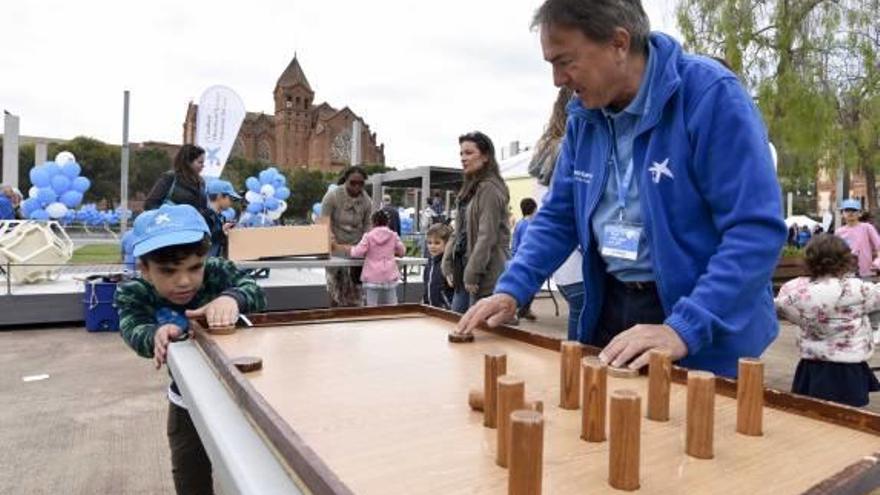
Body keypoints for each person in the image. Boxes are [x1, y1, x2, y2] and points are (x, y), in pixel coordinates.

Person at [455, 0, 786, 378]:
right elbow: (559, 216)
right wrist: (511, 289)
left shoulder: (711, 96)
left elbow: (754, 231)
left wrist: (685, 327)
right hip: (610, 306)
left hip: (702, 323)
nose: (558, 79)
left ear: (618, 43)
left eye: (565, 61)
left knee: (686, 433)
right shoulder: (584, 116)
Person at [115, 204, 266, 494]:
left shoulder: (219, 272)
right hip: (186, 401)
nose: (184, 281)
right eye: (168, 271)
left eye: (195, 267)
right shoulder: (134, 292)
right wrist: (155, 334)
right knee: (189, 471)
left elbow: (255, 291)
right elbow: (132, 327)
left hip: (242, 394)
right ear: (145, 268)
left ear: (205, 259)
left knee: (254, 471)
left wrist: (233, 298)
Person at [775, 234, 880, 407]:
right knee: (849, 418)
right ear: (846, 260)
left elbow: (780, 307)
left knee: (812, 413)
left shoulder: (795, 289)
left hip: (812, 366)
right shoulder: (859, 289)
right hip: (850, 367)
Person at [442, 131, 511, 314]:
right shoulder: (470, 188)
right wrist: (447, 262)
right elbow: (459, 231)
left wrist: (473, 272)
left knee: (477, 333)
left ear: (486, 156)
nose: (463, 158)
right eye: (461, 153)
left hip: (484, 274)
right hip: (463, 270)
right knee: (456, 325)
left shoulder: (489, 188)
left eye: (469, 153)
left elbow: (487, 235)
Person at [320, 166, 372, 307]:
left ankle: (352, 321)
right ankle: (333, 317)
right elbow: (324, 223)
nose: (357, 186)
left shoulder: (367, 201)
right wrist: (333, 243)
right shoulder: (332, 196)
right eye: (352, 182)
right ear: (345, 180)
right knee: (335, 289)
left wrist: (366, 244)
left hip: (356, 251)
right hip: (335, 248)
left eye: (360, 183)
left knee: (355, 293)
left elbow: (368, 225)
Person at [144, 145, 220, 240]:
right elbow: (150, 204)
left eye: (203, 163)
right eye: (200, 162)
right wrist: (173, 216)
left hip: (193, 234)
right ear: (188, 162)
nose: (203, 166)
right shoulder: (170, 177)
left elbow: (201, 209)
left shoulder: (201, 183)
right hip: (170, 233)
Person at [350, 210, 406, 306]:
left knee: (371, 307)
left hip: (372, 276)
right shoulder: (393, 235)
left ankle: (373, 320)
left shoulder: (368, 237)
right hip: (389, 275)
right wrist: (393, 251)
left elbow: (356, 253)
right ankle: (393, 320)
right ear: (387, 222)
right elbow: (402, 251)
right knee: (392, 306)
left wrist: (351, 249)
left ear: (373, 222)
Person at [836, 199, 880, 278]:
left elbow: (878, 247)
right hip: (846, 273)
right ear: (842, 213)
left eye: (854, 210)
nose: (850, 213)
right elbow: (835, 253)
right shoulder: (839, 232)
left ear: (860, 213)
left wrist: (878, 262)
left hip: (867, 272)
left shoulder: (867, 227)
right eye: (847, 210)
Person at [511, 198, 539, 321]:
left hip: (517, 258)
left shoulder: (519, 223)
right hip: (528, 260)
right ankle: (520, 310)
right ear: (534, 209)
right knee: (531, 285)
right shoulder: (532, 225)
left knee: (525, 286)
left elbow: (515, 243)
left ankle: (525, 309)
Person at [206, 179, 241, 258]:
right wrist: (222, 231)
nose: (232, 202)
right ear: (219, 196)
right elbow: (206, 239)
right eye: (230, 198)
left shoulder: (220, 217)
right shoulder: (205, 216)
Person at [423, 223, 455, 309]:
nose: (432, 246)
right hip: (430, 308)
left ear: (447, 244)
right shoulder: (429, 264)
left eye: (437, 243)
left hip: (445, 309)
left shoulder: (448, 265)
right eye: (429, 243)